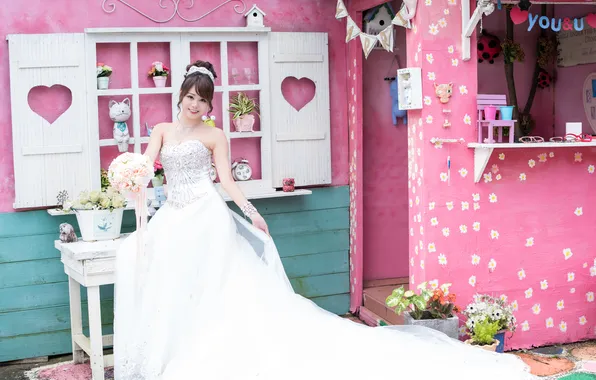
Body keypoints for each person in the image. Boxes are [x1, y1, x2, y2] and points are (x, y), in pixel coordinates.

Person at [113, 60, 537, 380]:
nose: (195, 105)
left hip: (205, 215)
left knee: (212, 287)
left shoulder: (214, 135)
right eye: (191, 96)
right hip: (172, 216)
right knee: (174, 283)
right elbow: (147, 167)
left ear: (210, 105)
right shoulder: (163, 130)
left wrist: (253, 213)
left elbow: (225, 180)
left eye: (203, 100)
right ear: (181, 94)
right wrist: (131, 177)